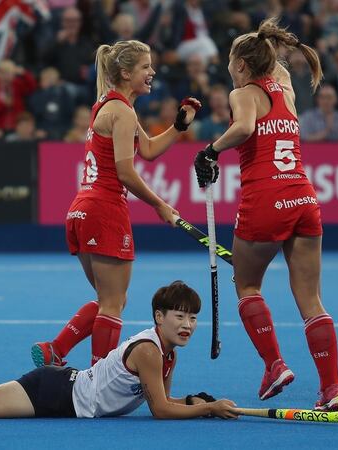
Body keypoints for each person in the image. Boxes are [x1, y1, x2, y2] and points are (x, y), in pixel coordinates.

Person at [192, 17, 338, 412]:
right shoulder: (285, 85)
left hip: (265, 200)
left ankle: (274, 365)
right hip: (302, 197)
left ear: (242, 66)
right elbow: (274, 63)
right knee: (311, 299)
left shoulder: (242, 93)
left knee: (246, 285)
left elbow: (245, 127)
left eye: (231, 60)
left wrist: (211, 151)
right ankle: (332, 388)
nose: (228, 66)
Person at [31, 40, 201, 369]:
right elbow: (126, 172)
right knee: (112, 304)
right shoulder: (121, 111)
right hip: (104, 209)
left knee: (113, 300)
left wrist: (179, 127)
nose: (152, 72)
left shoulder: (110, 105)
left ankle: (56, 349)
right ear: (125, 73)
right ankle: (98, 375)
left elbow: (148, 150)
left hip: (81, 210)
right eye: (145, 67)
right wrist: (160, 204)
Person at [0, 281, 239, 420]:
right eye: (179, 317)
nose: (187, 325)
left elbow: (166, 399)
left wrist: (193, 399)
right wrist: (207, 408)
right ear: (159, 316)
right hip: (55, 392)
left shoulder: (168, 352)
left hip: (62, 393)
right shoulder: (151, 351)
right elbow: (160, 411)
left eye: (192, 319)